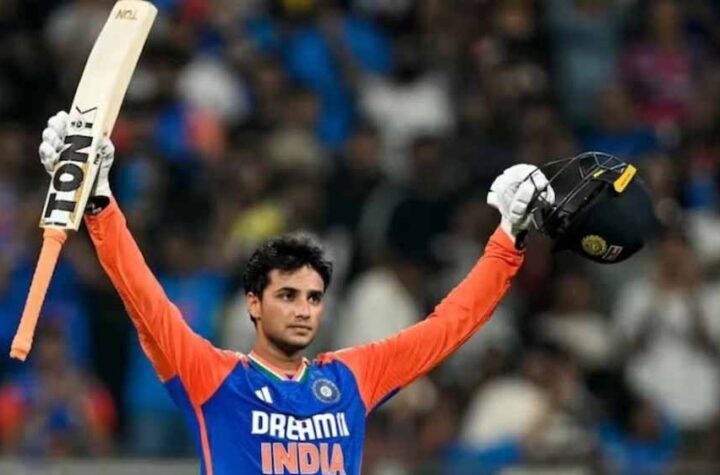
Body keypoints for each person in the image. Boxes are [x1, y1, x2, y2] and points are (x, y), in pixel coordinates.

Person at [37, 111, 553, 474]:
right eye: (287, 295)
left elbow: (448, 326)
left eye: (313, 297)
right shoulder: (213, 377)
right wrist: (99, 201)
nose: (304, 309)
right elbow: (143, 298)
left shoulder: (351, 377)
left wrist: (509, 237)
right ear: (254, 304)